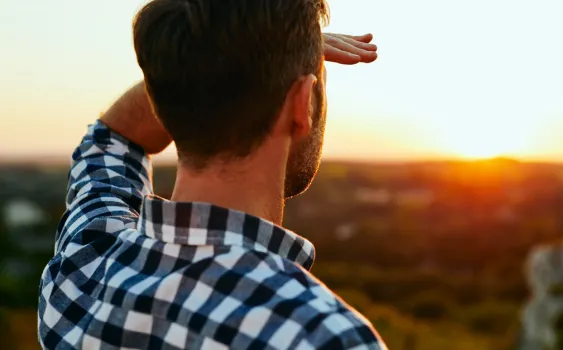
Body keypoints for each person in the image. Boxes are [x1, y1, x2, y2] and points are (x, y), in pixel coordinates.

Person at [37, 0, 386, 348]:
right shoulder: (323, 336)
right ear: (302, 102)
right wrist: (266, 59)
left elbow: (112, 136)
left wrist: (235, 62)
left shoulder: (83, 267)